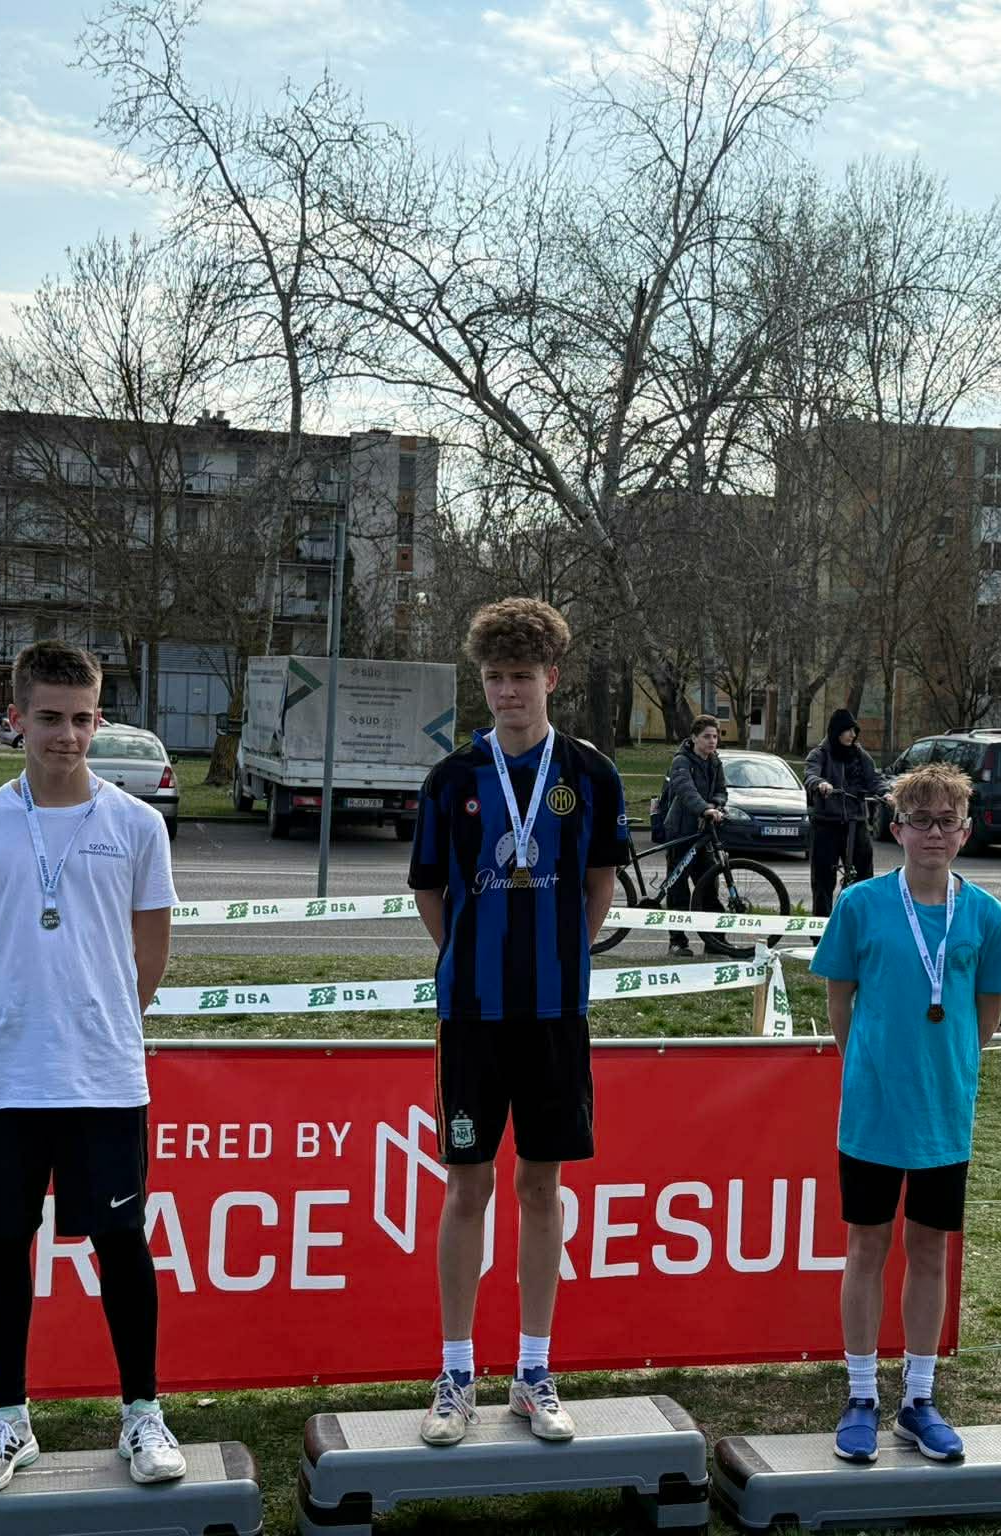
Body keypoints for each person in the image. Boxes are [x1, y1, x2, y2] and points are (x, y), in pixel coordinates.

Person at [0, 641, 185, 1492]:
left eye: (81, 719)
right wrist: (14, 1016)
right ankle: (8, 1421)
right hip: (3, 1076)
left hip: (104, 1075)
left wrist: (97, 1020)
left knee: (121, 1242)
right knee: (6, 1244)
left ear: (98, 720)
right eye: (48, 718)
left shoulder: (137, 824)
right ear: (17, 720)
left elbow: (150, 955)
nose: (66, 736)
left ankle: (142, 1413)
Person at [408, 598, 630, 1447]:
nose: (508, 692)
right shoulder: (452, 779)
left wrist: (563, 954)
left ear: (552, 679)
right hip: (472, 1014)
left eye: (522, 677)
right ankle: (455, 1373)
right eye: (496, 677)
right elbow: (430, 889)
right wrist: (466, 956)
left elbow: (599, 885)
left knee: (542, 1187)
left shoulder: (592, 774)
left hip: (553, 1014)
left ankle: (533, 1371)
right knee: (468, 1188)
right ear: (483, 682)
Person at [809, 760, 1001, 1464]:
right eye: (919, 821)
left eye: (945, 822)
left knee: (929, 1250)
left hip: (943, 1115)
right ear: (896, 830)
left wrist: (950, 1069)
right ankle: (861, 1395)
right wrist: (865, 1065)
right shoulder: (861, 905)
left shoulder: (985, 916)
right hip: (873, 1111)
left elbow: (986, 1011)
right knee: (866, 1247)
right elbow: (840, 997)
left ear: (965, 832)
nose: (933, 833)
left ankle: (918, 1399)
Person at [659, 714, 735, 960]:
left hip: (704, 832)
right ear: (694, 738)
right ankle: (677, 942)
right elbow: (685, 789)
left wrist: (715, 805)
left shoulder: (715, 762)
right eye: (707, 736)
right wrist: (704, 809)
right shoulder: (681, 761)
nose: (712, 741)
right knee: (678, 889)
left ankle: (715, 941)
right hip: (681, 831)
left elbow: (721, 790)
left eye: (715, 736)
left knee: (708, 887)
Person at [804, 708, 889, 918]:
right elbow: (810, 775)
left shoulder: (860, 755)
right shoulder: (820, 754)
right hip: (826, 823)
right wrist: (821, 784)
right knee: (823, 879)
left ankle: (859, 922)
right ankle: (821, 928)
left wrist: (886, 793)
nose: (852, 735)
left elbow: (874, 779)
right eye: (848, 730)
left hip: (855, 821)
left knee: (864, 875)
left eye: (854, 731)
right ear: (836, 731)